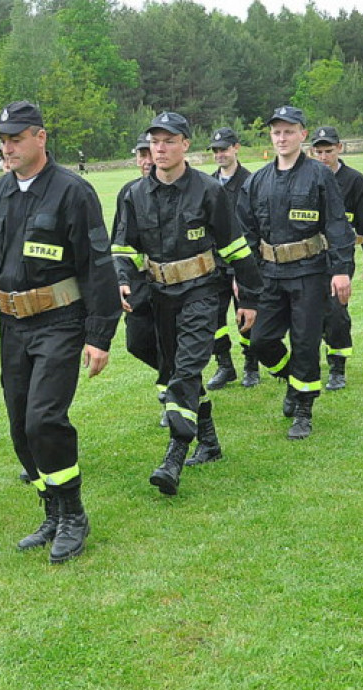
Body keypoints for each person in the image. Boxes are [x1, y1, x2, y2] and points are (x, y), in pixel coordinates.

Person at [0, 101, 120, 562]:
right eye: (2, 141)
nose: (6, 147)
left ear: (40, 137)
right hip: (12, 325)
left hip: (60, 322)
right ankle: (51, 509)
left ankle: (73, 515)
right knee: (19, 427)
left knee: (44, 419)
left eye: (15, 138)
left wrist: (99, 335)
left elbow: (96, 266)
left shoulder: (73, 192)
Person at [115, 112, 261, 495]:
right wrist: (122, 280)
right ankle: (209, 440)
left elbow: (235, 247)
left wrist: (250, 296)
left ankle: (175, 456)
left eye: (168, 141)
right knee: (149, 352)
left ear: (185, 145)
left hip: (201, 293)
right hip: (157, 296)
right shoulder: (134, 194)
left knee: (183, 371)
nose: (159, 148)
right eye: (154, 141)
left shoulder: (209, 191)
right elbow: (123, 249)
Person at [236, 106, 353, 440]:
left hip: (309, 273)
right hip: (270, 274)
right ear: (270, 136)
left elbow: (336, 223)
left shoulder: (319, 175)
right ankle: (292, 381)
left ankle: (303, 409)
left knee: (304, 343)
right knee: (261, 341)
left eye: (289, 131)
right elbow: (245, 235)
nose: (282, 138)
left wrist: (341, 270)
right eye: (277, 132)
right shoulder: (256, 181)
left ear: (303, 134)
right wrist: (245, 283)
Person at [310, 126, 363, 391]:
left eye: (328, 151)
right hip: (309, 258)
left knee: (336, 310)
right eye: (318, 152)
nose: (323, 157)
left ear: (339, 149)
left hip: (340, 256)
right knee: (310, 312)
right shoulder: (306, 177)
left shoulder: (354, 180)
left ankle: (337, 367)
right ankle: (309, 364)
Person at [111, 132, 164, 423]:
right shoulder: (128, 193)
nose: (146, 160)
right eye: (141, 155)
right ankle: (176, 377)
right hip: (140, 286)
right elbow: (119, 244)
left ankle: (172, 393)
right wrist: (121, 280)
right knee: (137, 343)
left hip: (174, 285)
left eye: (150, 153)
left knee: (171, 343)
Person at [205, 127, 261, 391]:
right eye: (215, 151)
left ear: (236, 148)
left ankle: (251, 365)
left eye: (224, 149)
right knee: (213, 318)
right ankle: (224, 365)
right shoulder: (206, 184)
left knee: (245, 315)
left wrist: (243, 272)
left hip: (241, 262)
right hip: (214, 264)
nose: (220, 155)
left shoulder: (251, 182)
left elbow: (255, 226)